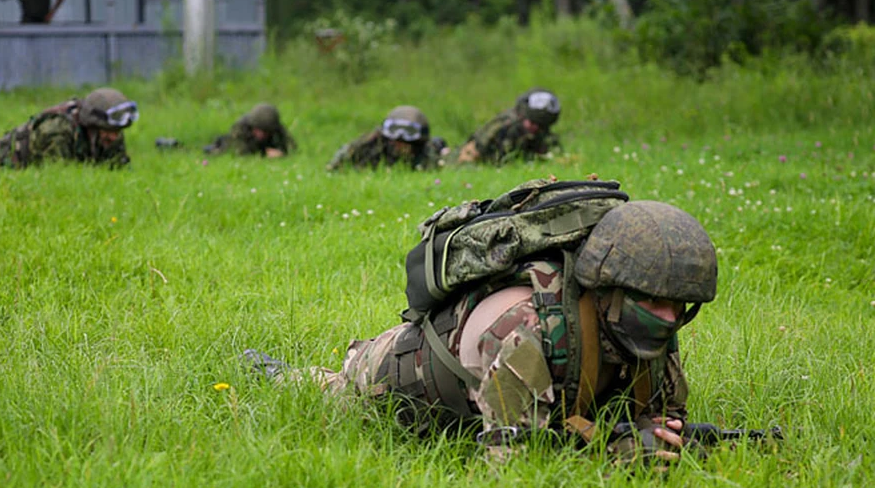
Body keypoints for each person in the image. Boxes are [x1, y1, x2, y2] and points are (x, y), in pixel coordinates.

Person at [247, 197, 718, 464]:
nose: (669, 317)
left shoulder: (636, 325)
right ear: (608, 287)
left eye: (679, 306)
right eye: (654, 302)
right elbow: (510, 465)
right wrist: (615, 455)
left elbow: (660, 417)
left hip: (489, 382)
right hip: (398, 377)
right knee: (336, 389)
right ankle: (275, 373)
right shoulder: (524, 332)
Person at [0, 87, 136, 169]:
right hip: (10, 169)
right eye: (109, 132)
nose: (114, 137)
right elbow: (57, 178)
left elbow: (120, 170)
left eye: (117, 132)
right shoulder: (58, 132)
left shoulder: (110, 136)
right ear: (94, 124)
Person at [454, 88, 562, 165]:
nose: (536, 128)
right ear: (523, 116)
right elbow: (473, 151)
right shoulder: (503, 126)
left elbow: (554, 152)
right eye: (533, 123)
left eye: (540, 125)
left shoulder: (541, 134)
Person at [326, 105, 445, 171]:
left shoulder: (427, 152)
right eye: (397, 142)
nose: (400, 146)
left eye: (405, 144)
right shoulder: (372, 144)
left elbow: (436, 168)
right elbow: (340, 159)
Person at [203, 103, 296, 158]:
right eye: (259, 130)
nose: (262, 135)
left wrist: (282, 153)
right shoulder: (241, 128)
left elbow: (291, 146)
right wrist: (264, 153)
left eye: (265, 132)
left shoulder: (275, 127)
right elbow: (239, 150)